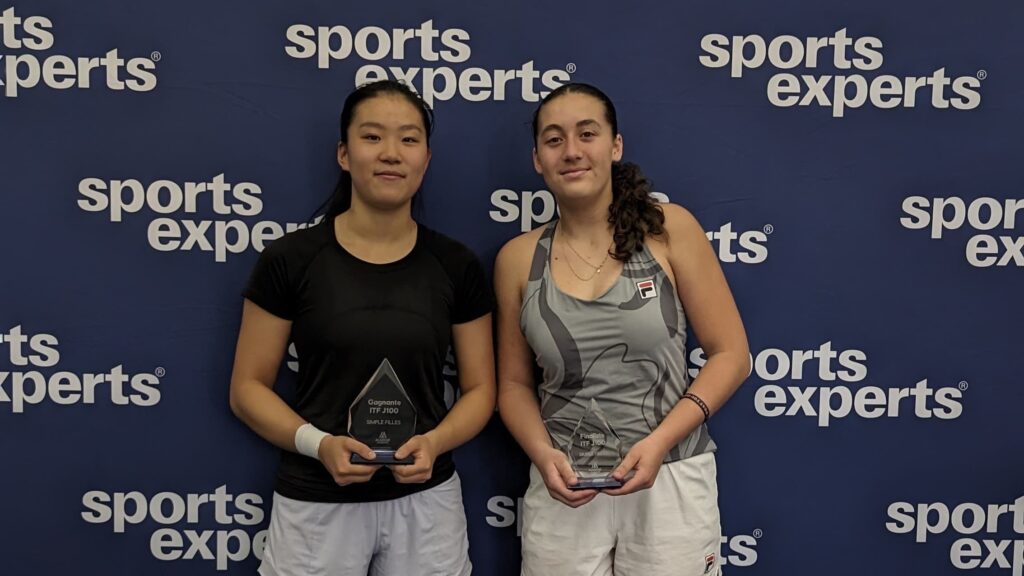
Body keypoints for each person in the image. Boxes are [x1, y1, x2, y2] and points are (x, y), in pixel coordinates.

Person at [229, 79, 495, 576]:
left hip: (426, 502)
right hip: (316, 501)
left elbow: (482, 389)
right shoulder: (290, 259)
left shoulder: (455, 264)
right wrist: (319, 444)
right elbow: (247, 388)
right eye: (372, 137)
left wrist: (435, 443)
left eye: (409, 139)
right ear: (344, 155)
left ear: (427, 158)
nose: (391, 153)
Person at [494, 83, 750, 576]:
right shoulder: (517, 259)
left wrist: (659, 444)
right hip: (564, 487)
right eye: (554, 139)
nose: (571, 150)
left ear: (615, 146)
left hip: (670, 477)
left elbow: (732, 355)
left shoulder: (670, 229)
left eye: (586, 133)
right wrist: (543, 456)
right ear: (537, 160)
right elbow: (512, 385)